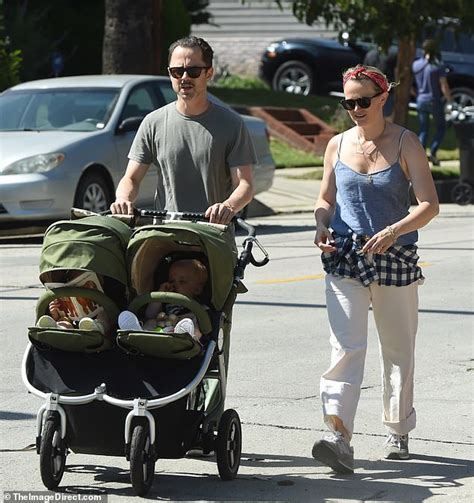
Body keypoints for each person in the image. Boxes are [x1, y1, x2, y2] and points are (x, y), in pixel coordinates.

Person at [311, 64, 439, 474]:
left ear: (383, 97)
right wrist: (320, 225)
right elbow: (325, 199)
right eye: (348, 102)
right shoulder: (337, 144)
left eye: (363, 100)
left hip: (395, 258)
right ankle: (338, 434)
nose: (355, 108)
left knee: (397, 350)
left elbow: (428, 205)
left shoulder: (406, 143)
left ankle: (398, 427)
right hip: (346, 258)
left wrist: (393, 231)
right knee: (345, 347)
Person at [109, 36, 256, 224]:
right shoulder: (153, 122)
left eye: (193, 71)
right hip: (164, 237)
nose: (185, 77)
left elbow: (245, 185)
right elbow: (131, 178)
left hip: (212, 237)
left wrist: (227, 207)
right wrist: (123, 200)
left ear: (209, 73)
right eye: (177, 71)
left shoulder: (232, 124)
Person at [118, 258, 208, 341]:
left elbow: (205, 330)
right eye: (172, 281)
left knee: (193, 323)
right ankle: (137, 333)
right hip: (160, 331)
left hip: (181, 336)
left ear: (197, 289)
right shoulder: (166, 301)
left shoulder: (200, 308)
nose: (174, 285)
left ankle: (184, 337)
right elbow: (149, 314)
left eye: (182, 281)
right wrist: (160, 295)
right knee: (151, 321)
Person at [412, 39, 452, 166]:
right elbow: (443, 86)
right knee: (441, 127)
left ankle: (419, 158)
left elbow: (410, 86)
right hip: (433, 100)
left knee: (424, 130)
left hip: (420, 100)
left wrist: (417, 95)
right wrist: (450, 100)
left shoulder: (416, 64)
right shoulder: (438, 65)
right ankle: (433, 152)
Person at [36, 271, 110, 335]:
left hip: (96, 317)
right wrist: (55, 315)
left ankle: (96, 329)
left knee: (103, 315)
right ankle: (58, 329)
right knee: (63, 321)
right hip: (71, 322)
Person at [363, 46, 397, 117]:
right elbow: (396, 72)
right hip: (387, 91)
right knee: (386, 117)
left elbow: (364, 74)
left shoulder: (369, 55)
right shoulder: (392, 54)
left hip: (371, 92)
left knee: (371, 116)